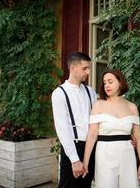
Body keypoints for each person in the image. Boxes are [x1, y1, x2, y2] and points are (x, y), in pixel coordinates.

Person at [83, 69, 140, 188]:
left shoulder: (132, 107)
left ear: (120, 83)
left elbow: (138, 136)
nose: (106, 85)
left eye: (110, 82)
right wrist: (85, 162)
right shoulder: (99, 105)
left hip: (127, 154)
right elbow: (92, 135)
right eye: (104, 82)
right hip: (104, 154)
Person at [51, 52, 97, 188]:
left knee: (85, 185)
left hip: (90, 148)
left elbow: (97, 122)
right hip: (72, 147)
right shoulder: (59, 93)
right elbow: (62, 128)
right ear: (73, 68)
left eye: (89, 68)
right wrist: (75, 159)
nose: (88, 72)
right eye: (85, 68)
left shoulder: (90, 91)